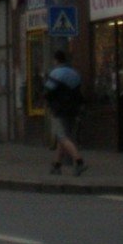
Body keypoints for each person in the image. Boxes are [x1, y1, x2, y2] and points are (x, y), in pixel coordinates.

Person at [42, 48, 86, 176]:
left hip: (59, 110)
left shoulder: (56, 73)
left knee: (62, 136)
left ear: (56, 60)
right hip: (73, 109)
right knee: (64, 137)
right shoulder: (74, 73)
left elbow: (47, 92)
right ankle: (56, 165)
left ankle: (78, 161)